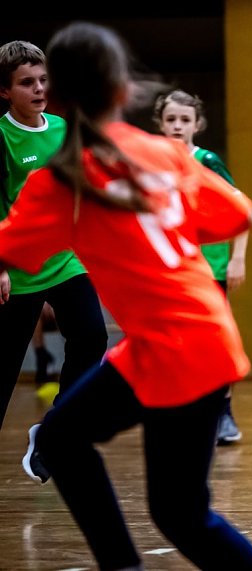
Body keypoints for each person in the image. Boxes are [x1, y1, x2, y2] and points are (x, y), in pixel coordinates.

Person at [0, 22, 252, 570]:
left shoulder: (59, 181)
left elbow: (11, 249)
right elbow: (238, 215)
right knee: (176, 512)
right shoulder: (164, 153)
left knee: (81, 453)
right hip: (202, 336)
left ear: (59, 94)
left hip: (171, 350)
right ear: (124, 90)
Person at [0, 40, 108, 483]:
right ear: (5, 91)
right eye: (27, 83)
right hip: (18, 267)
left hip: (66, 260)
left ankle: (51, 433)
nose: (39, 89)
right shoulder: (2, 138)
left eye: (43, 80)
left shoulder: (63, 129)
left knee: (92, 337)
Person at [153, 89, 249, 445]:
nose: (178, 126)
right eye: (171, 120)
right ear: (161, 125)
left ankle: (223, 412)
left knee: (214, 343)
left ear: (198, 125)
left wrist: (238, 257)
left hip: (210, 268)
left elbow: (240, 207)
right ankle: (180, 412)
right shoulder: (154, 163)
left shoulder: (207, 161)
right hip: (171, 270)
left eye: (185, 120)